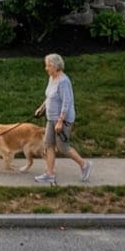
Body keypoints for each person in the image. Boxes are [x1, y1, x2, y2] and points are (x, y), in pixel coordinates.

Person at [33, 53, 90, 184]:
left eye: (48, 66)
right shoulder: (52, 78)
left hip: (62, 120)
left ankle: (84, 165)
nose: (46, 68)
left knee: (63, 147)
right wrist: (41, 108)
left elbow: (67, 102)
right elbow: (49, 96)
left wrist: (60, 121)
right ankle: (50, 174)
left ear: (55, 66)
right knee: (48, 145)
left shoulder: (64, 81)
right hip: (51, 118)